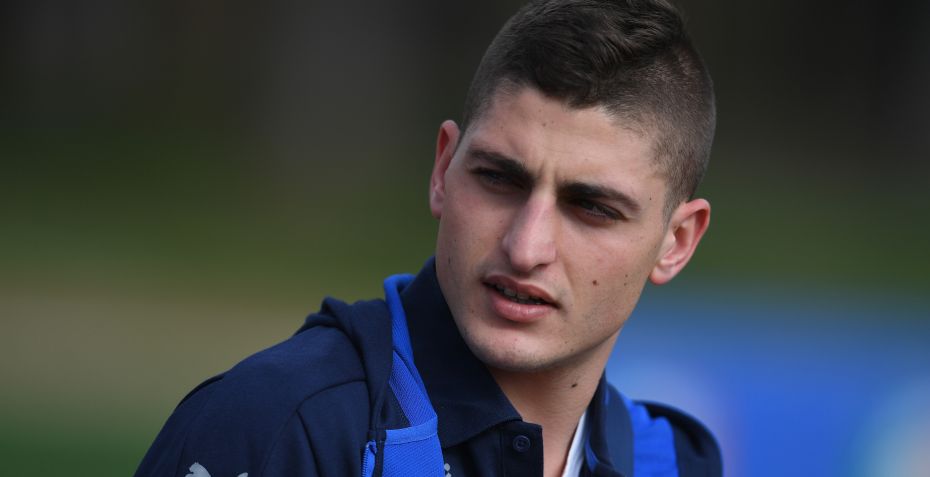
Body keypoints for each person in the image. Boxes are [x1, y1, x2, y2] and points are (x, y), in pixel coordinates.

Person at [135, 0, 721, 476]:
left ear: (677, 242)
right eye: (498, 179)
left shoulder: (673, 464)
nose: (525, 248)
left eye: (591, 208)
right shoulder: (279, 428)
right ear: (443, 169)